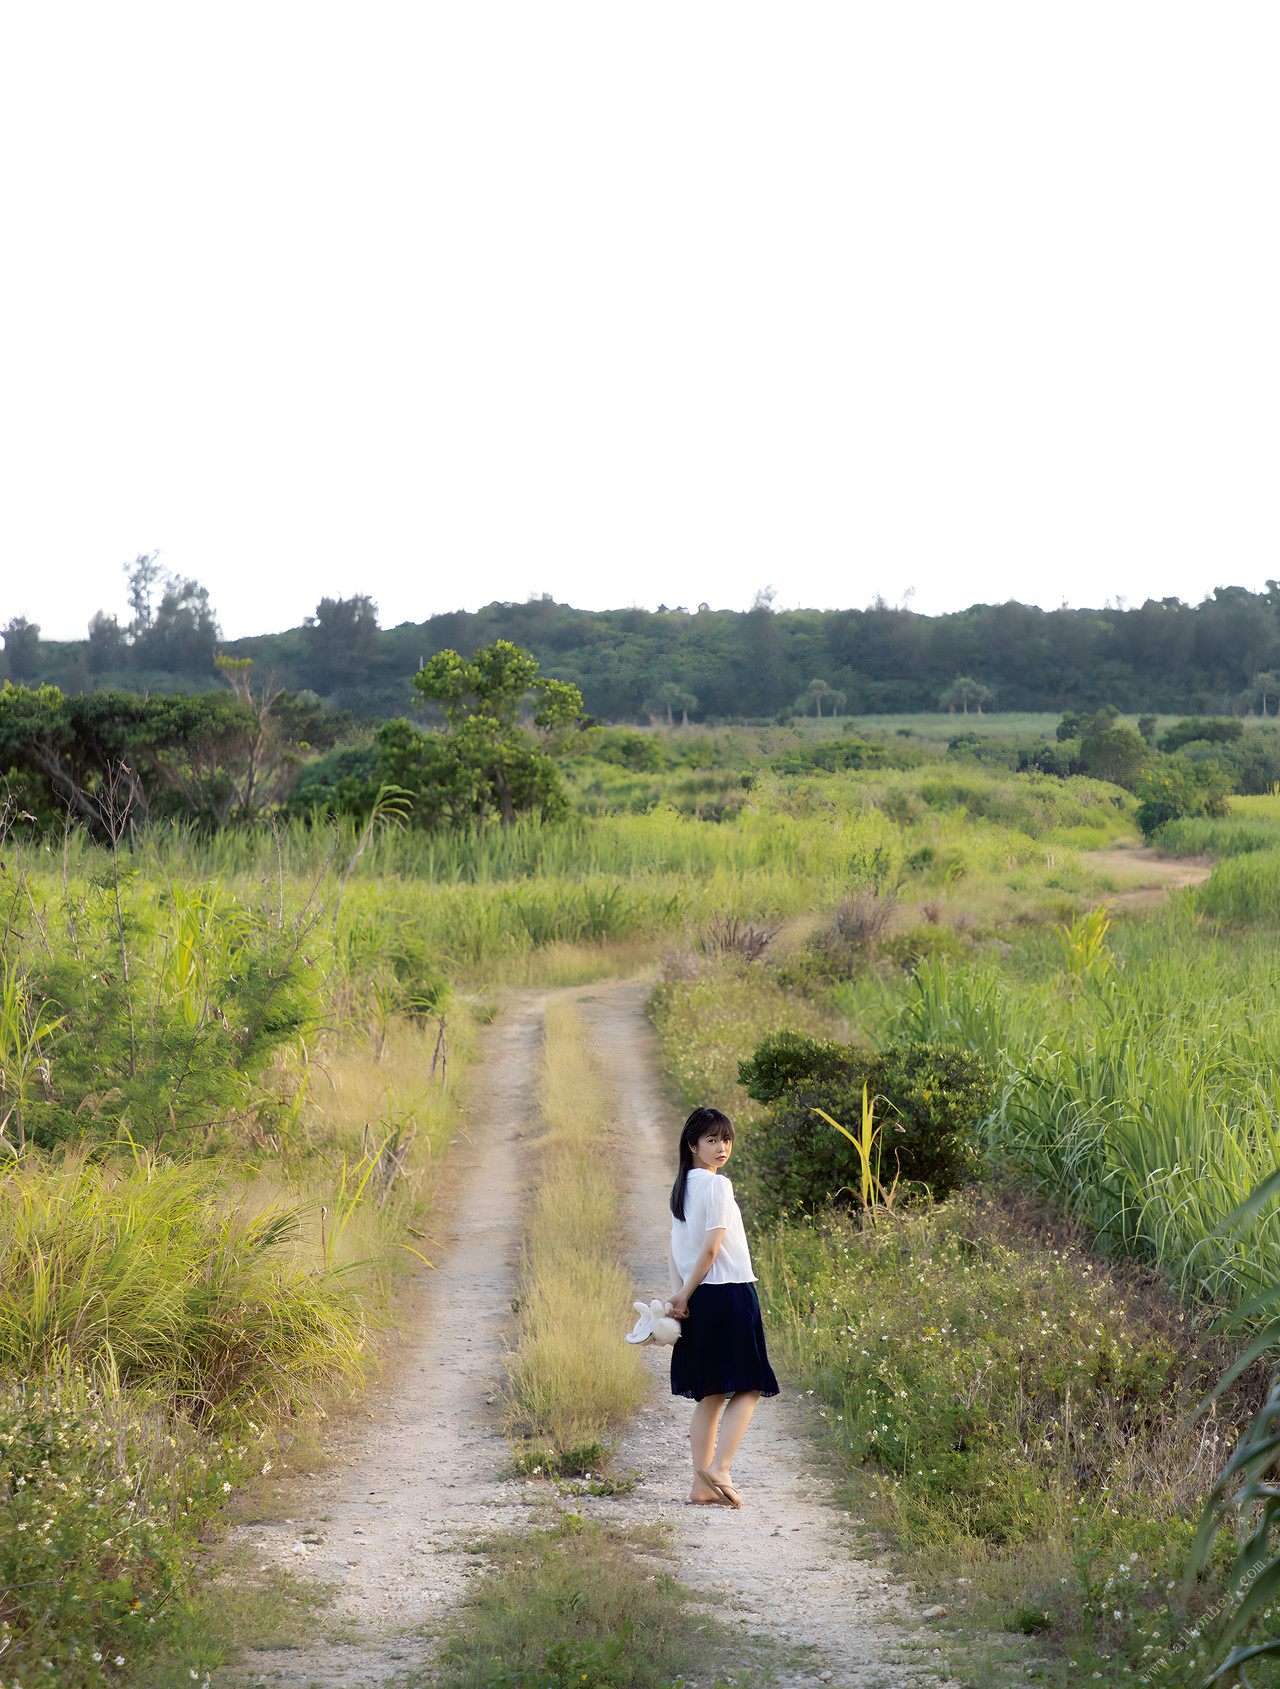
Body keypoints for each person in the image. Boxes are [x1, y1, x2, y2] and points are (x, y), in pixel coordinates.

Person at [667, 1105, 778, 1508]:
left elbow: (676, 1251)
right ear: (692, 1144)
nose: (721, 1147)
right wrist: (681, 1295)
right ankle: (721, 1468)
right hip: (728, 1291)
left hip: (697, 1297)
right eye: (712, 1140)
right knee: (750, 1384)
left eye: (726, 1139)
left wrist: (680, 1295)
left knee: (711, 1394)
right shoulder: (718, 1186)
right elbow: (711, 1248)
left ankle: (700, 1487)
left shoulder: (682, 1188)